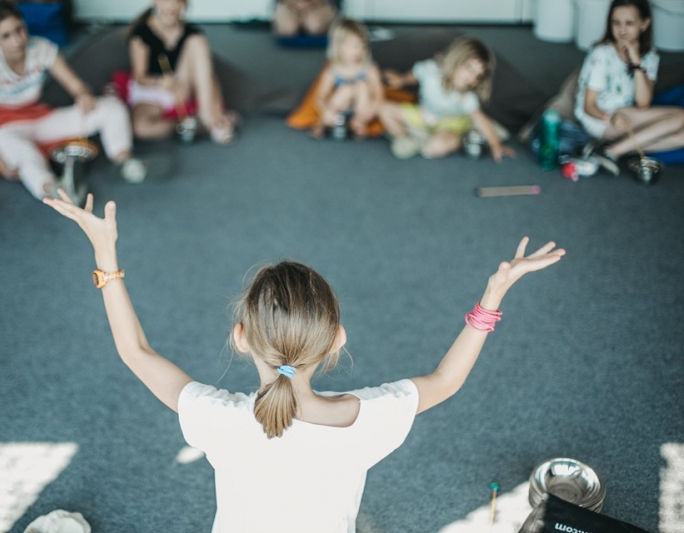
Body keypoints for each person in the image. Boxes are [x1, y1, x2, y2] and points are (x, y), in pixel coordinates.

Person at [43, 190, 565, 533]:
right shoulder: (367, 419)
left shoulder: (215, 418)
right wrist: (494, 294)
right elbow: (445, 380)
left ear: (240, 338)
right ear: (338, 341)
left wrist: (105, 253)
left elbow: (135, 351)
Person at [0, 1, 148, 201]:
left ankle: (124, 161)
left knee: (112, 107)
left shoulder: (40, 48)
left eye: (19, 30)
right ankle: (55, 189)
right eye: (6, 36)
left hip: (40, 116)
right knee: (20, 150)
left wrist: (83, 95)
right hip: (6, 128)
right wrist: (3, 167)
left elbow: (75, 85)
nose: (17, 40)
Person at [575, 0, 684, 175]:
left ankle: (612, 150)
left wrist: (636, 61)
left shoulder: (650, 56)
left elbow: (643, 103)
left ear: (644, 24)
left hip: (627, 113)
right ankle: (612, 151)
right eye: (616, 23)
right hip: (601, 118)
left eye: (629, 23)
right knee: (681, 117)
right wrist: (609, 118)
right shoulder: (602, 54)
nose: (622, 30)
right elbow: (588, 106)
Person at [379, 37, 514, 162]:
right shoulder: (431, 70)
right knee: (384, 110)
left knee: (436, 147)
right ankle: (405, 139)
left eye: (478, 76)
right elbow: (415, 75)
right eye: (469, 68)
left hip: (450, 124)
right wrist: (401, 80)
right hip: (425, 114)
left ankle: (461, 138)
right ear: (456, 60)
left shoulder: (466, 97)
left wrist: (495, 145)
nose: (471, 78)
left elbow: (479, 118)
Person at [127, 0, 237, 143]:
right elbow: (140, 77)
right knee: (142, 128)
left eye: (178, 1)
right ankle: (191, 125)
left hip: (181, 85)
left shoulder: (191, 33)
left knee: (197, 41)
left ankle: (208, 117)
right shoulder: (141, 32)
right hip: (152, 89)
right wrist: (159, 82)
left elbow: (206, 75)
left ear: (184, 4)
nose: (172, 6)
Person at [308, 19, 383, 139]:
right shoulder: (332, 69)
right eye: (354, 46)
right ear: (339, 46)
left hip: (361, 108)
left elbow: (378, 96)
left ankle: (358, 124)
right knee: (347, 89)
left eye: (363, 46)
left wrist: (366, 117)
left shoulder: (369, 68)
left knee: (362, 85)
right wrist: (327, 112)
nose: (359, 51)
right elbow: (320, 96)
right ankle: (323, 122)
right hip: (340, 109)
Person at [273, 0, 338, 37]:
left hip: (321, 5)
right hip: (288, 5)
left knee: (314, 25)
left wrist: (312, 3)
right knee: (289, 28)